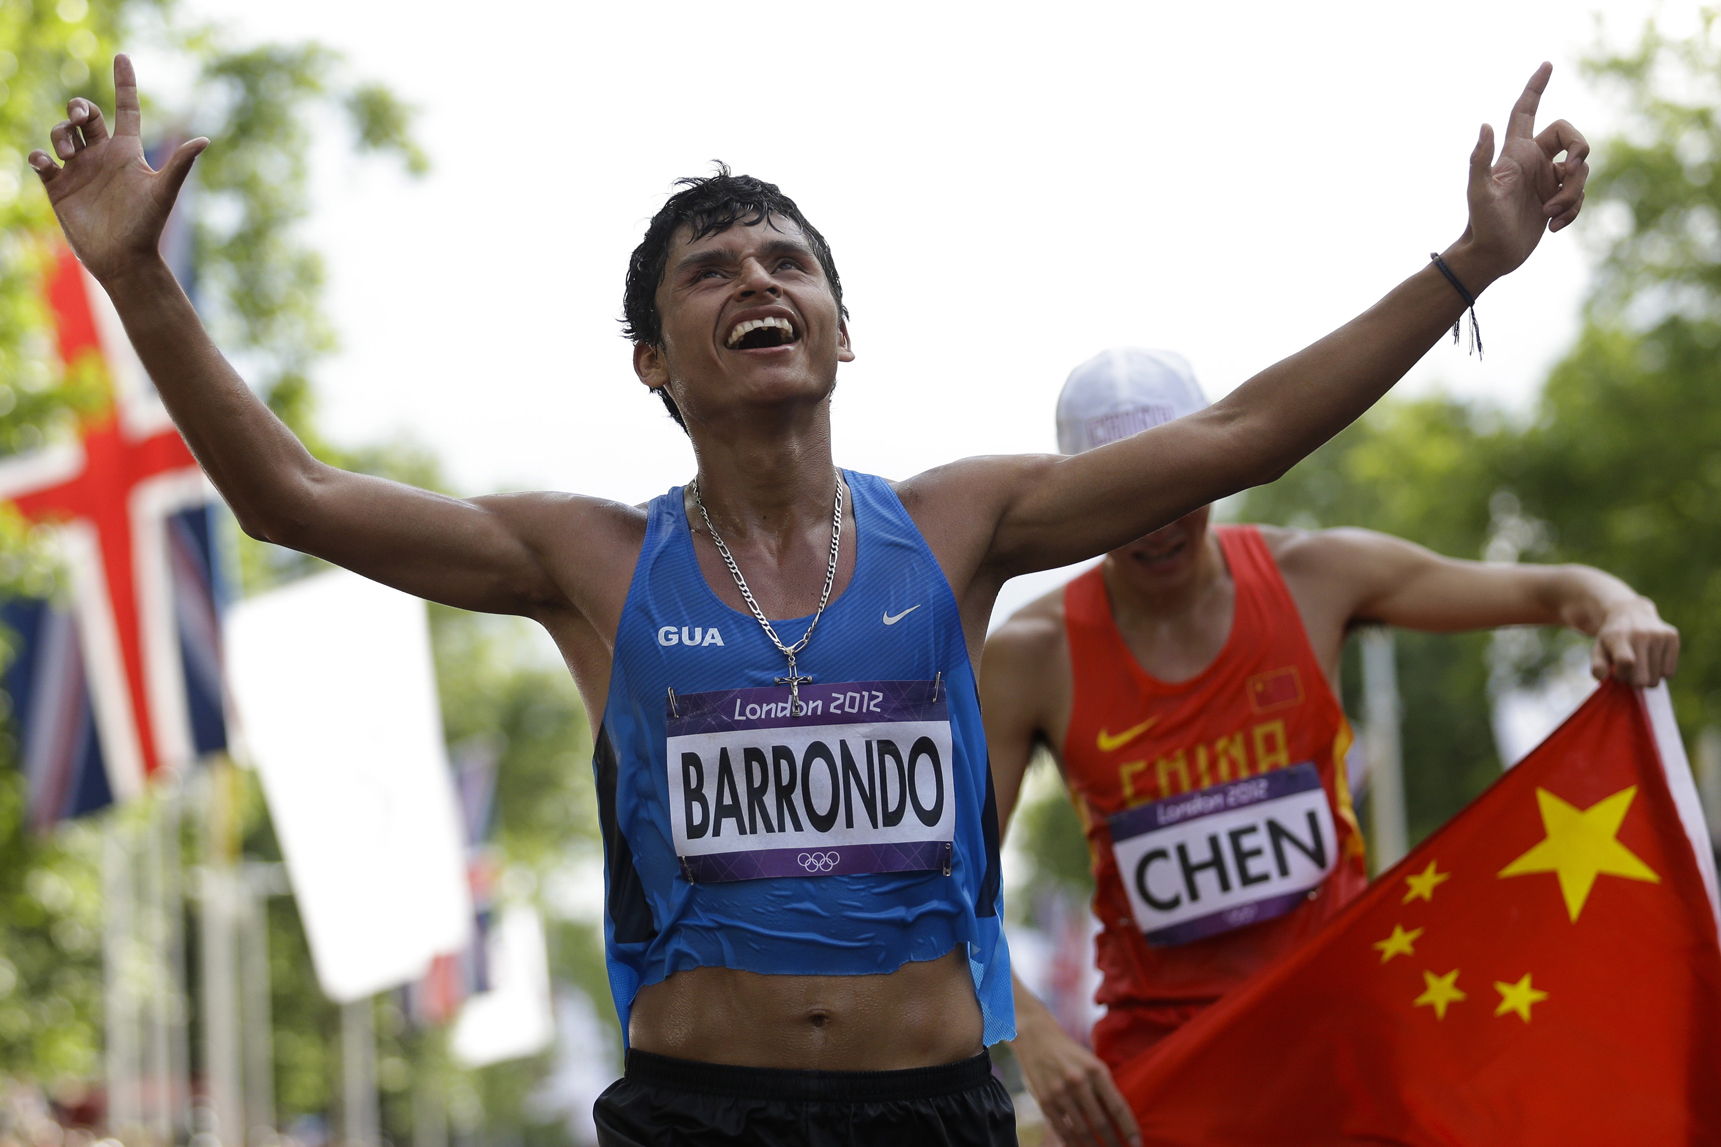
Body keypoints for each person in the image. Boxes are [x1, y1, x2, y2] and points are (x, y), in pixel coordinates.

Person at [29, 54, 1590, 1145]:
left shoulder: (964, 522)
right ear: (654, 359)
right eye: (708, 271)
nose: (753, 277)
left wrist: (1470, 261)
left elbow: (1246, 432)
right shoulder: (588, 559)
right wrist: (144, 286)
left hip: (932, 1109)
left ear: (844, 328)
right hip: (698, 1111)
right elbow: (292, 497)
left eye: (786, 258)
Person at [983, 347, 1680, 1147]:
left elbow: (1555, 590)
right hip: (1170, 1074)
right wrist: (1030, 1029)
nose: (1158, 519)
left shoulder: (1314, 574)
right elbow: (953, 879)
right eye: (1124, 493)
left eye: (1176, 482)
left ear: (1218, 464)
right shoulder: (1030, 653)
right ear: (1078, 496)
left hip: (1346, 1035)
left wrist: (1622, 608)